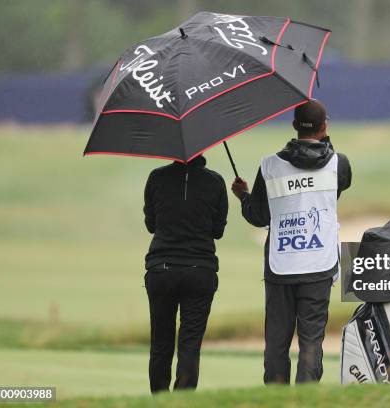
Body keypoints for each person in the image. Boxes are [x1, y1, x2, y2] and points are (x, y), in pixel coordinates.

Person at [231, 99, 352, 384]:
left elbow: (259, 217)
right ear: (324, 126)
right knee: (311, 343)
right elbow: (337, 185)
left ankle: (276, 399)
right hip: (319, 264)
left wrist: (244, 197)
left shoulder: (270, 165)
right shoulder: (339, 164)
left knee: (276, 343)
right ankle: (305, 401)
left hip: (281, 266)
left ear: (295, 126)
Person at [143, 156, 228, 393]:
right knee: (190, 344)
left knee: (161, 343)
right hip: (200, 271)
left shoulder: (156, 177)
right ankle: (183, 402)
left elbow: (151, 224)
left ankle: (160, 400)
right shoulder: (216, 181)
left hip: (162, 270)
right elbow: (218, 231)